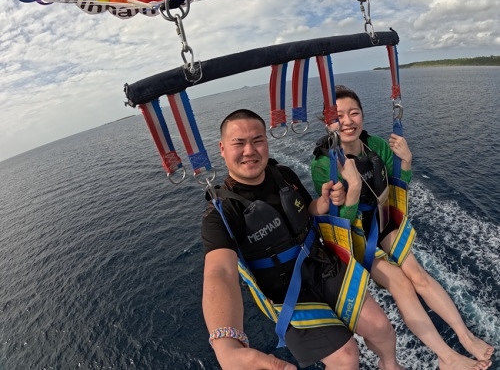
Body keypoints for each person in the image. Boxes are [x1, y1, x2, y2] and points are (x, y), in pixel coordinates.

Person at [201, 109, 405, 370]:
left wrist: (323, 201)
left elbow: (307, 210)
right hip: (286, 294)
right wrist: (224, 343)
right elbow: (219, 271)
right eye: (239, 143)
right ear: (222, 148)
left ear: (266, 142)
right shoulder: (221, 213)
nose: (249, 150)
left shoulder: (283, 174)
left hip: (322, 266)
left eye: (257, 140)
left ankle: (390, 366)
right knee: (346, 358)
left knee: (380, 327)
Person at [310, 85, 495, 370]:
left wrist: (406, 162)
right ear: (328, 123)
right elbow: (339, 223)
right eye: (338, 116)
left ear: (363, 116)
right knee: (401, 284)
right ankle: (446, 357)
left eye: (353, 113)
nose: (347, 122)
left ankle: (466, 337)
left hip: (383, 221)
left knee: (418, 274)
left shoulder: (377, 146)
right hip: (356, 236)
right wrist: (354, 187)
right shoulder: (324, 164)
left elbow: (397, 187)